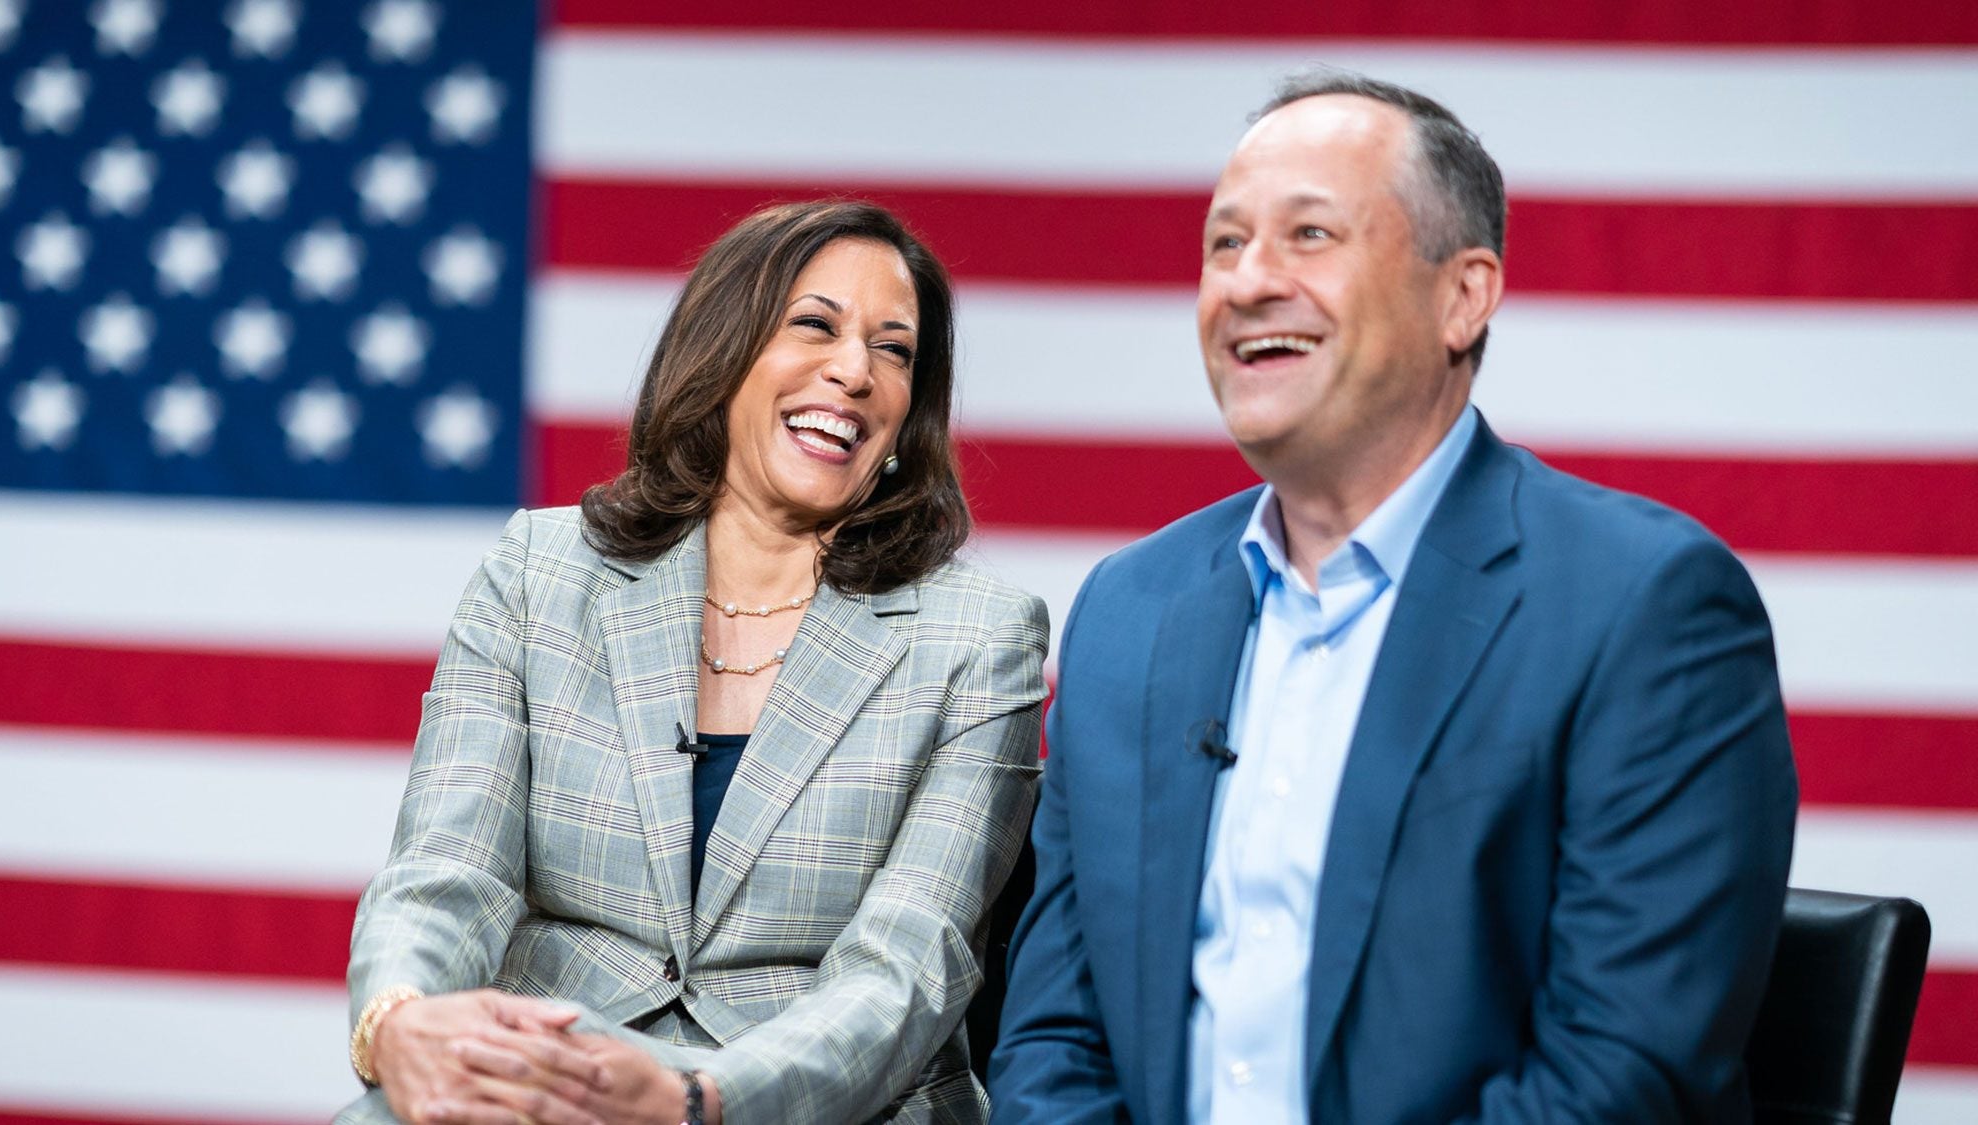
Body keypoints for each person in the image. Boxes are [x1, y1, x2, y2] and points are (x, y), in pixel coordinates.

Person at [987, 71, 1798, 1123]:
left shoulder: (1643, 608)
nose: (1246, 281)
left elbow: (1619, 1081)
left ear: (1461, 296)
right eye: (1222, 245)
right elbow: (1054, 1041)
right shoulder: (1127, 614)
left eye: (1309, 235)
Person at [340, 201, 1049, 1125]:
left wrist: (694, 1098)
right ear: (725, 351)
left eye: (895, 351)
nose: (854, 371)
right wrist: (400, 1024)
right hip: (556, 1069)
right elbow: (447, 874)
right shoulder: (538, 573)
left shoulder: (982, 636)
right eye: (816, 325)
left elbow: (907, 968)